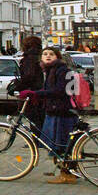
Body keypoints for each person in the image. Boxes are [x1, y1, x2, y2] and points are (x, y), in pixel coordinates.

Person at [17, 46, 77, 184]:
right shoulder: (50, 70)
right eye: (45, 54)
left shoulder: (61, 70)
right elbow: (49, 89)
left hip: (62, 112)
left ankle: (67, 175)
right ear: (41, 58)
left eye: (51, 54)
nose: (48, 56)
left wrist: (36, 94)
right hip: (55, 110)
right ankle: (67, 171)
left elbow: (59, 91)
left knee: (61, 145)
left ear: (57, 57)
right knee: (59, 144)